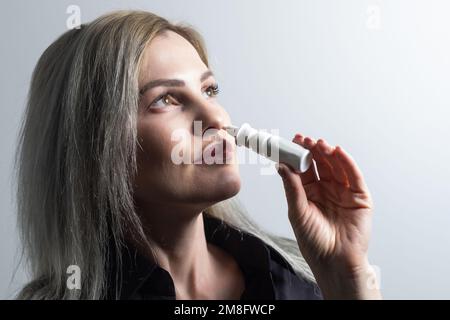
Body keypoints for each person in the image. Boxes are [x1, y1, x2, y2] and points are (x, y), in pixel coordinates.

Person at [15, 10, 381, 300]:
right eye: (166, 99)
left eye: (210, 90)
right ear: (95, 146)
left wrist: (349, 281)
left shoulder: (295, 278)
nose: (216, 118)